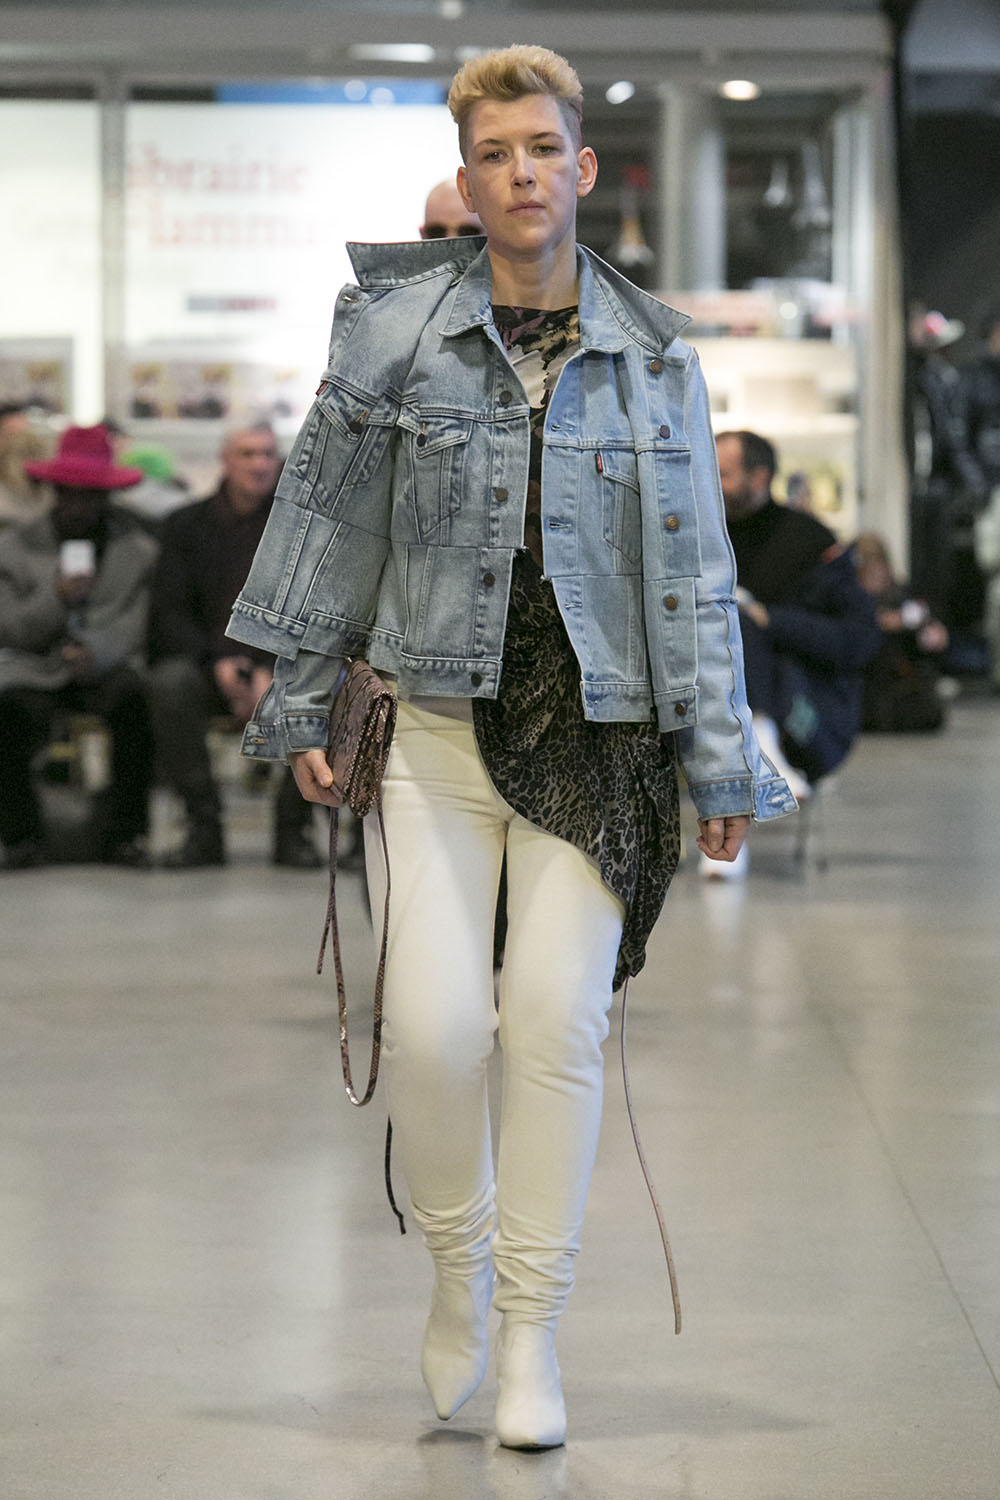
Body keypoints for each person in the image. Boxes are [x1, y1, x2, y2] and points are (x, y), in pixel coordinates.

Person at [227, 46, 795, 1450]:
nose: (523, 172)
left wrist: (719, 757)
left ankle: (533, 1331)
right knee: (432, 1034)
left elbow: (692, 569)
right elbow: (326, 521)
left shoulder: (655, 354)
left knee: (553, 1027)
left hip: (601, 735)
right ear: (467, 179)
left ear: (582, 167)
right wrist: (302, 695)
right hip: (433, 719)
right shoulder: (394, 335)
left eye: (543, 148)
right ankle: (456, 1271)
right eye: (495, 154)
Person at [146, 424, 320, 869]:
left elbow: (311, 610)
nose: (259, 464)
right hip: (206, 662)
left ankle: (293, 828)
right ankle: (203, 826)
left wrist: (266, 665)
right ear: (225, 460)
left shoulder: (299, 529)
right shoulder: (184, 526)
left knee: (323, 685)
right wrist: (221, 661)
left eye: (267, 454)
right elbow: (169, 612)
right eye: (247, 454)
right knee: (168, 683)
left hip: (279, 664)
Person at [0, 424, 157, 869]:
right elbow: (9, 627)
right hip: (34, 667)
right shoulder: (13, 547)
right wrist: (56, 597)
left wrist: (96, 653)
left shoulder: (138, 551)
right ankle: (20, 836)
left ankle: (126, 835)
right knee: (7, 712)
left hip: (105, 668)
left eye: (88, 495)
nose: (76, 505)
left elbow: (137, 621)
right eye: (68, 493)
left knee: (136, 702)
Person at [715, 430, 881, 808]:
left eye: (723, 474)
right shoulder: (704, 538)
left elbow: (857, 637)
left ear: (758, 477)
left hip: (805, 708)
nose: (712, 484)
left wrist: (769, 620)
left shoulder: (809, 541)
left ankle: (764, 744)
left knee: (741, 620)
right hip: (722, 700)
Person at [852, 531, 949, 732]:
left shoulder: (901, 597)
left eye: (879, 563)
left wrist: (922, 628)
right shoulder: (849, 598)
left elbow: (933, 636)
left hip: (898, 688)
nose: (877, 572)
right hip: (864, 688)